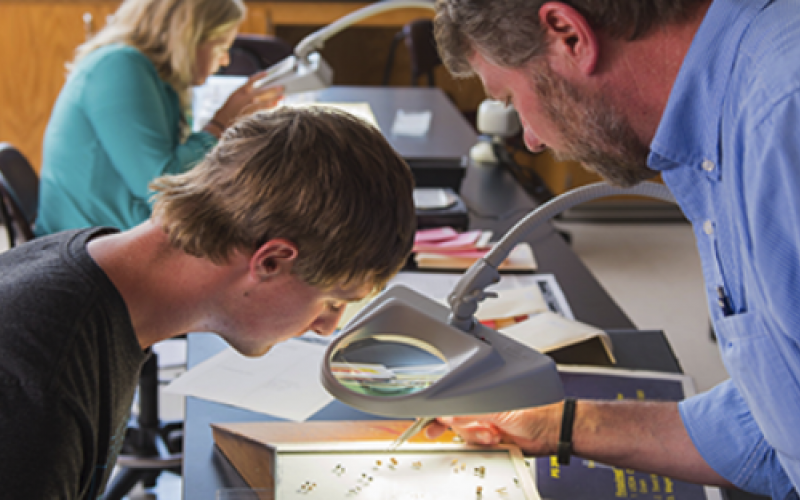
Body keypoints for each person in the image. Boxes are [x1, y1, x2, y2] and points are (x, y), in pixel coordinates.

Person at [427, 0, 800, 498]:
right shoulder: (732, 111)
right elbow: (779, 423)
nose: (532, 141)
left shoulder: (784, 120)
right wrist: (556, 424)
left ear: (568, 35)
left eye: (513, 102)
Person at [0, 106, 416, 498]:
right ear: (270, 260)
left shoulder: (103, 273)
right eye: (331, 301)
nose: (329, 326)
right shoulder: (40, 389)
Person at [35, 0, 283, 236]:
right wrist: (221, 123)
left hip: (111, 231)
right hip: (90, 245)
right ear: (186, 37)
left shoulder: (150, 75)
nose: (225, 60)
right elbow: (161, 186)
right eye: (220, 46)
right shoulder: (119, 66)